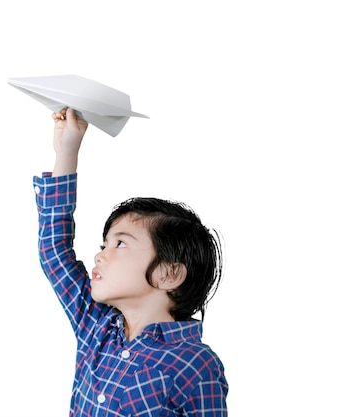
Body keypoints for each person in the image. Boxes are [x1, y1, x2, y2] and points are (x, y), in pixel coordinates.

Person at [32, 107, 228, 416]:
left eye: (120, 243)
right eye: (104, 244)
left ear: (169, 273)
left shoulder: (195, 364)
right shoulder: (96, 325)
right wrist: (67, 150)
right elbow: (54, 252)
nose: (100, 255)